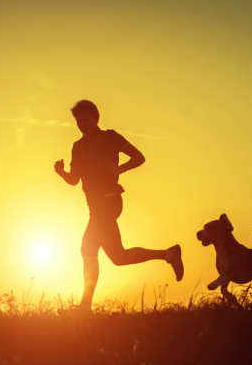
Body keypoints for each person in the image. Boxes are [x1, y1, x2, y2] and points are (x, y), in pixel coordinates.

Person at [54, 100, 183, 314]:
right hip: (95, 206)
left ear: (96, 119)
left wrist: (121, 167)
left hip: (109, 200)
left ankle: (85, 307)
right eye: (79, 121)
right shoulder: (78, 147)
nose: (83, 124)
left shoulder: (110, 137)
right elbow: (74, 180)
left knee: (87, 248)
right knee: (118, 257)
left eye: (86, 119)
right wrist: (61, 173)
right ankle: (169, 254)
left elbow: (139, 157)